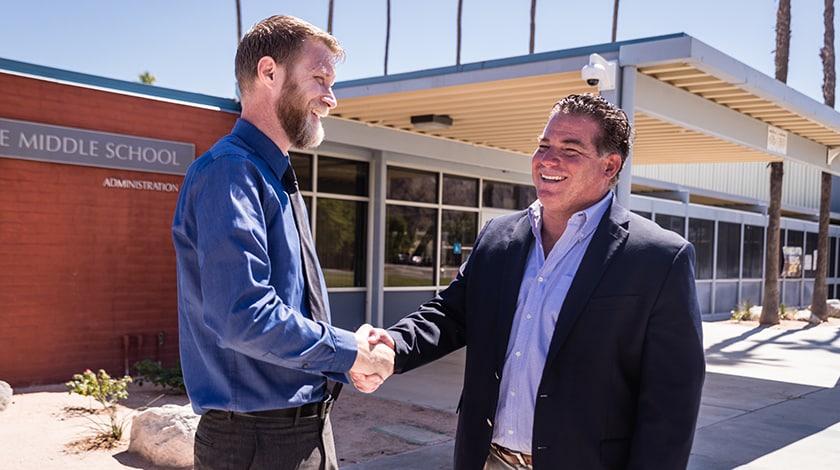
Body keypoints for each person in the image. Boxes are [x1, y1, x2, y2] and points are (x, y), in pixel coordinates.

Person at [379, 93, 706, 469]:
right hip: (487, 460)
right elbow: (450, 314)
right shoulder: (498, 236)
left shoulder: (659, 258)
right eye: (543, 145)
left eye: (570, 150)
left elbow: (671, 404)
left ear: (609, 166)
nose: (549, 160)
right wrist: (392, 346)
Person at [171, 15, 393, 470]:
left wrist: (347, 356)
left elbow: (286, 311)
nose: (330, 99)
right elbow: (244, 316)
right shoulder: (231, 172)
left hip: (299, 430)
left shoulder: (276, 179)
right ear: (268, 72)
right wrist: (349, 349)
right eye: (320, 79)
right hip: (255, 443)